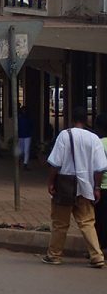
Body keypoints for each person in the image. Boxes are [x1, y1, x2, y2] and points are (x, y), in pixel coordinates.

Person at [42, 106, 107, 267]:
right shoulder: (94, 139)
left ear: (72, 119)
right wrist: (97, 188)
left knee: (60, 223)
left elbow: (55, 163)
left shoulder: (64, 135)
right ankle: (97, 256)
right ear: (87, 121)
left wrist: (51, 182)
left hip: (64, 187)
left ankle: (54, 255)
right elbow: (100, 168)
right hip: (85, 187)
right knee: (87, 222)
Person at [94, 112, 107, 253]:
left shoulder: (99, 144)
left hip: (103, 187)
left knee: (100, 219)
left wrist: (96, 186)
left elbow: (99, 168)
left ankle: (100, 247)